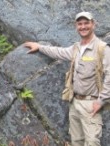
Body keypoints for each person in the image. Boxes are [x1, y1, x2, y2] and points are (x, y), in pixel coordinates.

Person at [24, 12, 110, 146]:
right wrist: (40, 47)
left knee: (92, 142)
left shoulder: (102, 49)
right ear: (76, 26)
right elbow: (59, 52)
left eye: (86, 23)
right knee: (76, 141)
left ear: (93, 24)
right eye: (80, 24)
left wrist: (101, 101)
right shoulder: (76, 48)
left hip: (91, 103)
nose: (83, 27)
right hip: (74, 102)